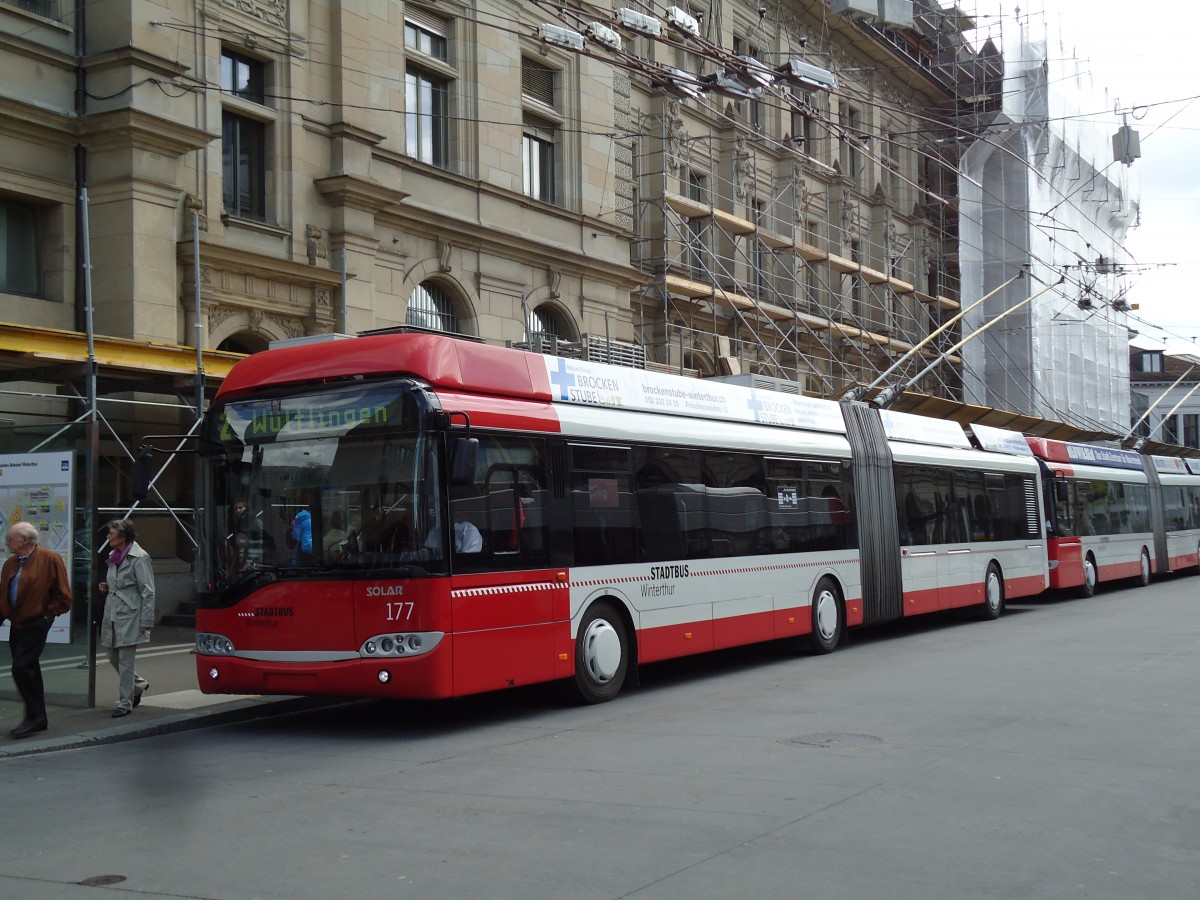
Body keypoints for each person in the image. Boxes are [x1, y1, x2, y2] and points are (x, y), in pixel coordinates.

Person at [0, 521, 73, 739]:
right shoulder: (10, 563)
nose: (6, 542)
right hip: (17, 621)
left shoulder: (50, 559)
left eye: (9, 539)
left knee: (20, 666)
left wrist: (48, 615)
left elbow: (64, 594)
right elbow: (4, 595)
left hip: (37, 621)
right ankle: (39, 717)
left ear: (24, 540)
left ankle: (34, 716)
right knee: (29, 666)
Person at [98, 519, 155, 717]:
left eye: (111, 533)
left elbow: (148, 591)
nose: (108, 536)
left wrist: (146, 620)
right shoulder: (113, 555)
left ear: (122, 536)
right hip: (113, 612)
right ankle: (138, 685)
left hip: (131, 614)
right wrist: (107, 586)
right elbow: (120, 583)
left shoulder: (140, 557)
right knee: (111, 654)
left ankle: (125, 703)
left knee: (125, 661)